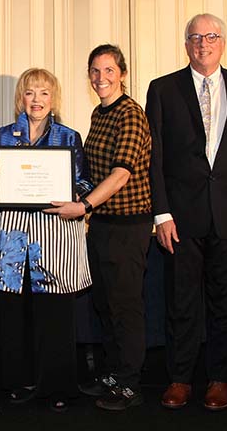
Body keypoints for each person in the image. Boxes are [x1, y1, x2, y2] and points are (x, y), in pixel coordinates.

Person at [146, 13, 227, 411]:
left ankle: (220, 379)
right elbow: (154, 156)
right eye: (195, 37)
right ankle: (180, 378)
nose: (203, 43)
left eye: (211, 36)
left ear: (223, 42)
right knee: (180, 302)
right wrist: (161, 213)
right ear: (186, 44)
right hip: (180, 218)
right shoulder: (162, 89)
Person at [46, 45, 152, 411]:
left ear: (122, 73)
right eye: (94, 71)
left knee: (125, 306)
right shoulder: (99, 113)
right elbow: (88, 173)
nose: (101, 78)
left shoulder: (131, 114)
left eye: (108, 70)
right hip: (103, 224)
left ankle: (130, 385)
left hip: (128, 225)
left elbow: (120, 174)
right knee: (105, 305)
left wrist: (83, 206)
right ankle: (112, 374)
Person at [0, 68, 93, 412]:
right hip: (13, 234)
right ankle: (17, 383)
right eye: (30, 93)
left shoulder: (68, 136)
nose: (37, 100)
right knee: (13, 314)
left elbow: (85, 184)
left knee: (56, 313)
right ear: (21, 97)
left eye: (44, 93)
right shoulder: (3, 135)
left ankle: (58, 385)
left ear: (53, 98)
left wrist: (72, 193)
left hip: (55, 232)